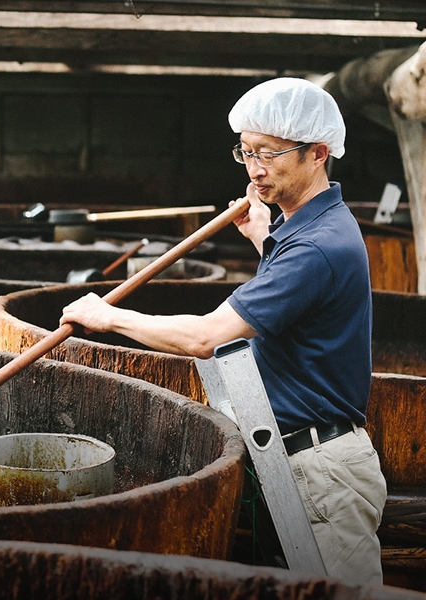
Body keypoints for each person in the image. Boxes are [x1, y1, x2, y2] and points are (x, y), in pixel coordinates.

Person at [59, 77, 387, 585]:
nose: (256, 169)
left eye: (271, 155)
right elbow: (298, 296)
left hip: (322, 473)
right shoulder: (306, 228)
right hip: (296, 457)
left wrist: (109, 317)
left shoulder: (316, 246)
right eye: (247, 151)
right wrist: (262, 237)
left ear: (318, 153)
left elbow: (207, 337)